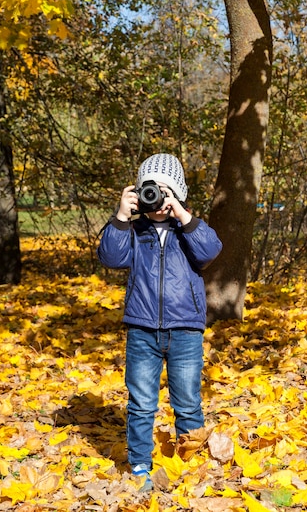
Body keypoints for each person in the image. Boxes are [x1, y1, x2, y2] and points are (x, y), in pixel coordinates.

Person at [97, 153, 222, 491]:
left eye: (165, 191)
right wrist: (121, 216)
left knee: (187, 401)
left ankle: (189, 461)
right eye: (150, 189)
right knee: (140, 403)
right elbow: (110, 256)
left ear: (177, 193)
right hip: (142, 329)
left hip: (185, 330)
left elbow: (210, 251)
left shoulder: (189, 229)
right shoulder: (135, 231)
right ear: (140, 191)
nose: (157, 198)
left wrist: (183, 215)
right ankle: (140, 465)